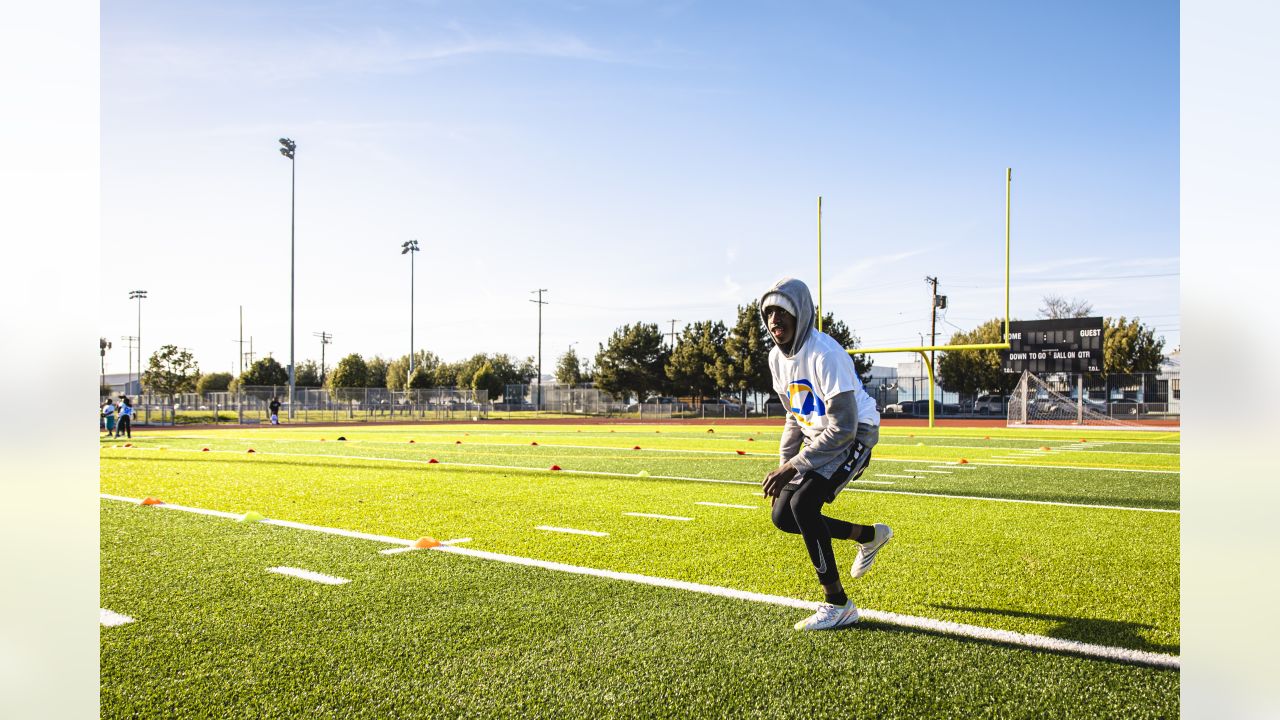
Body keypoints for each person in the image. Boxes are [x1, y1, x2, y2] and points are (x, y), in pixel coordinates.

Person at [759, 277, 892, 631]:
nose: (774, 320)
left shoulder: (825, 354)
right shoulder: (776, 358)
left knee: (804, 505)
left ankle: (838, 603)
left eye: (782, 311)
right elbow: (794, 415)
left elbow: (844, 427)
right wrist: (784, 462)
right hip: (820, 438)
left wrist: (795, 466)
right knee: (783, 516)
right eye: (768, 312)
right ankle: (869, 536)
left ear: (801, 313)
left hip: (855, 435)